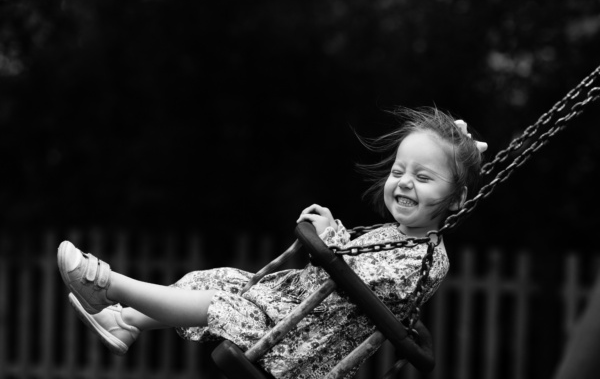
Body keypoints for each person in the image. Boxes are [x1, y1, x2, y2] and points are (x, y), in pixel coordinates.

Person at [57, 106, 486, 379]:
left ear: (457, 197)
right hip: (282, 316)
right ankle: (124, 322)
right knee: (215, 279)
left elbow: (359, 280)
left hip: (297, 345)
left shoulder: (426, 257)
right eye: (398, 171)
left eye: (424, 177)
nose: (404, 183)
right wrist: (333, 232)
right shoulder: (397, 236)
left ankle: (107, 285)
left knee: (215, 306)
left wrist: (331, 238)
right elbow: (350, 261)